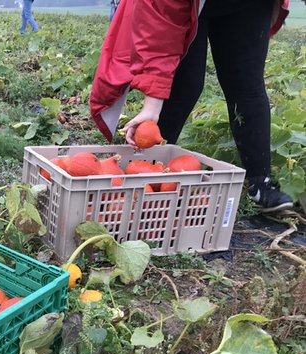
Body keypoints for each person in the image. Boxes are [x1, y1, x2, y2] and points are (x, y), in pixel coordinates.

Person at [90, 0, 293, 213]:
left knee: (246, 84)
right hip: (180, 6)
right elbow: (159, 31)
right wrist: (152, 107)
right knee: (184, 84)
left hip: (246, 5)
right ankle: (150, 170)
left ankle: (260, 181)